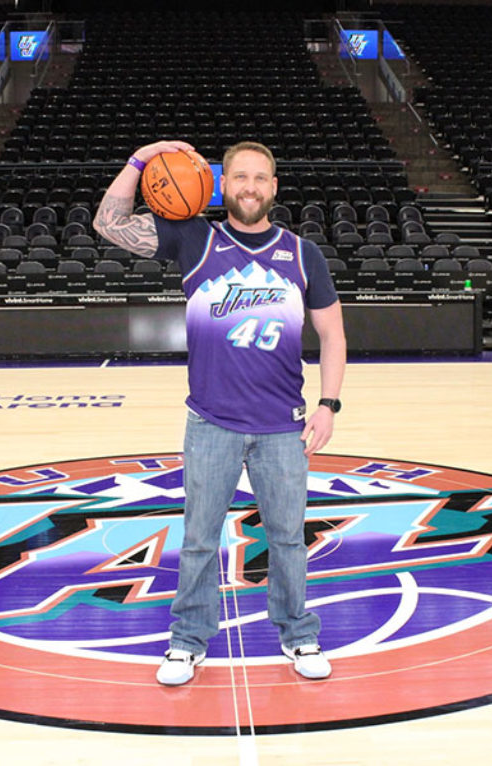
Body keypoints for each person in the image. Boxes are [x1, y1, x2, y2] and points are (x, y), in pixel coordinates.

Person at [94, 140, 346, 686]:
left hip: (283, 426)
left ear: (274, 187)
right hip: (210, 422)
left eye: (260, 177)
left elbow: (332, 333)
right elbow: (109, 224)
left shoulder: (304, 254)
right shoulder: (194, 238)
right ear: (220, 185)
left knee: (287, 540)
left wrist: (328, 404)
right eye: (239, 177)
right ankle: (187, 642)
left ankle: (299, 634)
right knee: (200, 539)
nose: (250, 187)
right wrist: (142, 159)